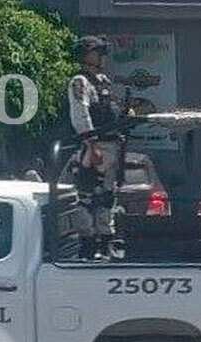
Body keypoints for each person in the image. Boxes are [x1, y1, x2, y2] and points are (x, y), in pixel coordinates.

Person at [68, 35, 126, 260]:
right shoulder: (80, 82)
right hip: (95, 145)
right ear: (85, 55)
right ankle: (88, 244)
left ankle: (106, 241)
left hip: (112, 144)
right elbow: (80, 114)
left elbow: (109, 110)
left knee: (107, 196)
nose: (101, 56)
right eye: (97, 52)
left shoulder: (103, 81)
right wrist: (91, 145)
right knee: (88, 194)